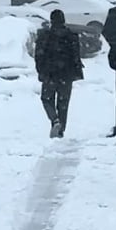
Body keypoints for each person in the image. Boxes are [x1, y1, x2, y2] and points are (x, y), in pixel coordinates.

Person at [34, 9, 83, 139]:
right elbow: (76, 57)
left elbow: (38, 55)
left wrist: (41, 70)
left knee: (46, 99)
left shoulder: (45, 36)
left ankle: (54, 120)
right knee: (63, 103)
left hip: (49, 74)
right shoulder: (71, 36)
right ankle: (60, 130)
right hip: (66, 75)